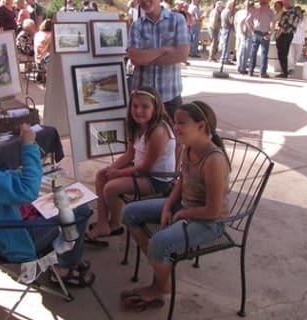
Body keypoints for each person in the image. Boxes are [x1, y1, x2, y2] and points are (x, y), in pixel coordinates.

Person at [0, 102, 95, 287]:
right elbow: (28, 192)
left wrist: (14, 175)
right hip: (9, 240)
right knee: (80, 210)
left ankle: (67, 260)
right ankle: (65, 269)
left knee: (58, 201)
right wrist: (29, 146)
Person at [120, 101, 230, 311]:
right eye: (174, 122)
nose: (176, 127)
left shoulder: (214, 160)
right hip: (184, 206)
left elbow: (213, 211)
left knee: (159, 242)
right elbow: (181, 180)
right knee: (129, 213)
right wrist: (168, 206)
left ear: (201, 126)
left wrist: (183, 214)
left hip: (208, 222)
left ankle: (159, 285)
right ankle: (161, 268)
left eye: (181, 123)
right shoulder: (190, 147)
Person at [86, 88, 176, 242]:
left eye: (145, 107)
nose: (138, 111)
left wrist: (118, 174)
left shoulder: (158, 132)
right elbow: (130, 154)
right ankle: (102, 223)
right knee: (102, 175)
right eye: (135, 106)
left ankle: (115, 224)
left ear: (155, 108)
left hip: (157, 180)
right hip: (141, 171)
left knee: (111, 188)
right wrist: (112, 169)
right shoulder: (136, 125)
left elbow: (146, 168)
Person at [127, 0, 190, 119]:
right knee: (142, 137)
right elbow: (135, 59)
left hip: (170, 97)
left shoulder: (177, 20)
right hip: (142, 99)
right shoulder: (136, 26)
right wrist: (164, 50)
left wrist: (145, 58)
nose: (144, 1)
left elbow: (182, 55)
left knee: (171, 136)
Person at [246, 0, 275, 78]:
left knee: (253, 52)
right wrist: (270, 34)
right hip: (265, 33)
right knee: (264, 53)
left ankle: (250, 70)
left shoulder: (255, 10)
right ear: (267, 3)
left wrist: (252, 31)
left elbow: (247, 21)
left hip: (256, 33)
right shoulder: (270, 12)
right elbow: (273, 24)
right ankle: (262, 72)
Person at [275, 0, 298, 78]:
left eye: (284, 3)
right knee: (285, 53)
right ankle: (285, 71)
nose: (283, 5)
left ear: (288, 3)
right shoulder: (296, 13)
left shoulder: (286, 13)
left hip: (284, 34)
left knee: (281, 54)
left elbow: (282, 26)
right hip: (290, 34)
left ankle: (284, 72)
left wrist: (277, 35)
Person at [235, 0, 254, 75]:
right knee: (245, 51)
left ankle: (239, 66)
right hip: (246, 33)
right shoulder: (248, 13)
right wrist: (243, 31)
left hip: (240, 33)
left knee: (240, 49)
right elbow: (241, 22)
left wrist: (238, 31)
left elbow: (235, 22)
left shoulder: (239, 12)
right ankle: (242, 67)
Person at [288, 6, 306, 73]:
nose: (298, 12)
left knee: (297, 56)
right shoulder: (292, 17)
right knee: (291, 54)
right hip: (292, 38)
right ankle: (290, 68)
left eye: (299, 11)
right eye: (296, 11)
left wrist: (300, 18)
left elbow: (303, 26)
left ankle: (292, 66)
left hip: (300, 40)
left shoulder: (304, 19)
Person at [219, 0, 235, 65]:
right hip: (228, 29)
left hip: (223, 28)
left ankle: (224, 57)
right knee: (227, 44)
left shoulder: (223, 11)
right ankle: (225, 58)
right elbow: (231, 21)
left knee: (225, 44)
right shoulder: (229, 12)